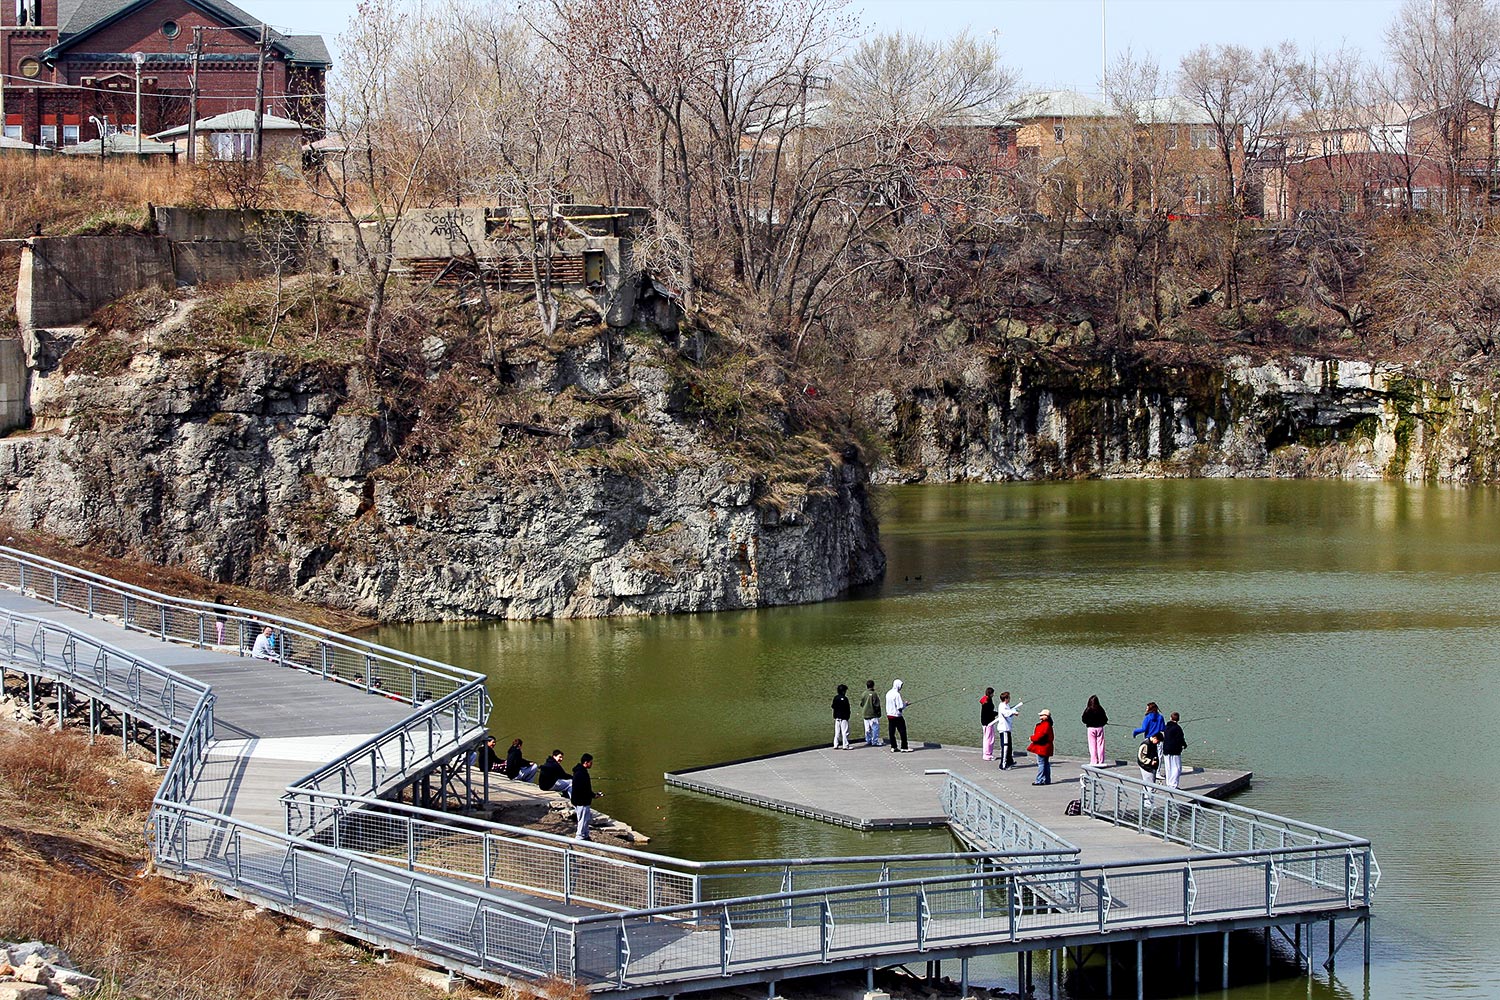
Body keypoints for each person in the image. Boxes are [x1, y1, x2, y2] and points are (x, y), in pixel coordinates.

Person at [570, 753, 602, 840]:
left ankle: (585, 834)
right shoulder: (582, 774)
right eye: (591, 762)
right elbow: (584, 789)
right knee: (582, 819)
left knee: (585, 819)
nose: (591, 764)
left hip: (580, 800)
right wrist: (593, 795)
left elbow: (585, 788)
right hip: (581, 801)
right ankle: (579, 836)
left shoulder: (579, 771)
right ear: (586, 762)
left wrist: (593, 795)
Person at [1160, 712, 1187, 789]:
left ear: (1171, 718)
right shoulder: (1178, 728)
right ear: (1178, 719)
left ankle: (1168, 784)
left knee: (1168, 767)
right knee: (1177, 768)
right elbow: (1180, 739)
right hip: (1175, 751)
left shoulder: (1166, 727)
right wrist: (1184, 745)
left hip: (1166, 750)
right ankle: (1173, 785)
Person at [996, 691, 1022, 769]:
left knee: (1010, 746)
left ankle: (1010, 761)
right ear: (1006, 698)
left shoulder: (1006, 705)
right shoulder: (1002, 706)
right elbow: (1006, 713)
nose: (1010, 699)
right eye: (1009, 697)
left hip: (1008, 729)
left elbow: (1009, 713)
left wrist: (1013, 711)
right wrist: (1013, 713)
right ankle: (1003, 765)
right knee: (1005, 746)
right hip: (1004, 729)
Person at [1027, 709, 1054, 785]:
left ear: (1046, 716)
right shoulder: (1048, 724)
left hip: (1042, 747)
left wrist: (1032, 738)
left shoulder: (1045, 725)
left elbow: (1040, 735)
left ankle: (1039, 780)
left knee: (1041, 763)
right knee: (1046, 763)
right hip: (1046, 747)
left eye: (1042, 715)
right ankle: (1047, 779)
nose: (1040, 716)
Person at [885, 679, 912, 752]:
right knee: (902, 731)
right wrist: (906, 704)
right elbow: (900, 706)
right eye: (901, 685)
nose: (901, 687)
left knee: (891, 732)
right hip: (897, 716)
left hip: (889, 715)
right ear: (898, 685)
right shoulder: (897, 694)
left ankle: (893, 747)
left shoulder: (888, 693)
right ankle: (904, 747)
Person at [1082, 695, 1109, 766]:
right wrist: (1103, 723)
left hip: (1091, 729)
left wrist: (1089, 722)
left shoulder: (1088, 709)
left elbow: (1084, 720)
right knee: (1100, 745)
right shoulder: (1100, 709)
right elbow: (1105, 719)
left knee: (1092, 745)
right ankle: (1101, 761)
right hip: (1100, 728)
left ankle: (1093, 761)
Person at [1137, 732, 1162, 807]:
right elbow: (1141, 757)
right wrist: (1150, 762)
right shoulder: (1145, 744)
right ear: (1154, 737)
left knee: (1149, 785)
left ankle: (1148, 802)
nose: (1158, 743)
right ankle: (1148, 803)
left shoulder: (1153, 744)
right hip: (1146, 767)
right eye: (1158, 741)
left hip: (1151, 768)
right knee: (1149, 786)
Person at [859, 680, 883, 746]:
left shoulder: (863, 694)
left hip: (865, 714)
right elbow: (877, 705)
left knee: (867, 729)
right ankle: (875, 741)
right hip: (873, 714)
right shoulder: (874, 694)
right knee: (875, 728)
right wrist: (879, 713)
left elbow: (861, 704)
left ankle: (868, 740)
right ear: (873, 685)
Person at [831, 684, 852, 749]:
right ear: (843, 691)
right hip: (844, 718)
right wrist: (848, 716)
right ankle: (845, 745)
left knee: (837, 732)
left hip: (837, 717)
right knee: (845, 732)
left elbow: (833, 706)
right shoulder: (845, 699)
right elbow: (848, 708)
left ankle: (835, 744)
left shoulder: (835, 698)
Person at [980, 688, 999, 760]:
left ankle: (986, 754)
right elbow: (989, 713)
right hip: (988, 722)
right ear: (991, 694)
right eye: (993, 693)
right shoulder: (988, 702)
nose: (993, 695)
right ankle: (988, 755)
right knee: (989, 739)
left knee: (986, 738)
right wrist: (997, 713)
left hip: (984, 722)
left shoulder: (985, 700)